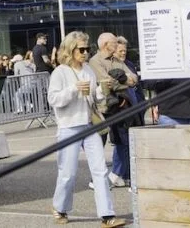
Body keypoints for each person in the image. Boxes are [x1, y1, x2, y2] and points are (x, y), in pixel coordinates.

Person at [47, 31, 126, 228]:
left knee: (100, 170)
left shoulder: (88, 70)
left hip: (89, 125)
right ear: (70, 49)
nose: (85, 53)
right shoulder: (60, 72)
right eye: (81, 49)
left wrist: (102, 89)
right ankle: (60, 207)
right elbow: (53, 99)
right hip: (69, 127)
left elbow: (94, 99)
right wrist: (74, 89)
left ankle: (107, 215)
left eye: (87, 49)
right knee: (68, 173)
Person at [89, 33, 138, 188]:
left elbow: (134, 78)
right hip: (102, 109)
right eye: (114, 43)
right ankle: (97, 179)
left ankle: (117, 175)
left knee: (122, 140)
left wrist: (124, 80)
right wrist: (124, 80)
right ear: (105, 45)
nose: (117, 45)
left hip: (119, 106)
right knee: (99, 143)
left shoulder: (116, 60)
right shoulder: (95, 61)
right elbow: (107, 83)